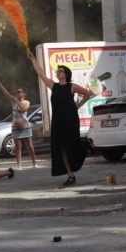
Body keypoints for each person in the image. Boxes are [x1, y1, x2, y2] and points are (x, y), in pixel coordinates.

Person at [27, 50, 94, 186]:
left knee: (71, 146)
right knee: (60, 147)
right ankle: (70, 175)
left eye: (60, 71)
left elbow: (88, 93)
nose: (58, 73)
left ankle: (85, 145)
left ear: (66, 74)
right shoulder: (54, 86)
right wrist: (33, 59)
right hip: (57, 121)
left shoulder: (72, 86)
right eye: (57, 71)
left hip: (70, 120)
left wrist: (79, 104)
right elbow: (40, 74)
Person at [0, 75, 37, 169]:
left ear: (24, 94)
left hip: (25, 126)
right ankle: (19, 165)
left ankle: (34, 163)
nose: (17, 93)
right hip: (15, 126)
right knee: (17, 146)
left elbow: (23, 109)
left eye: (19, 92)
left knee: (29, 145)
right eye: (16, 92)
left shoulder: (26, 102)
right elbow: (5, 92)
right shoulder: (13, 101)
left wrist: (17, 101)